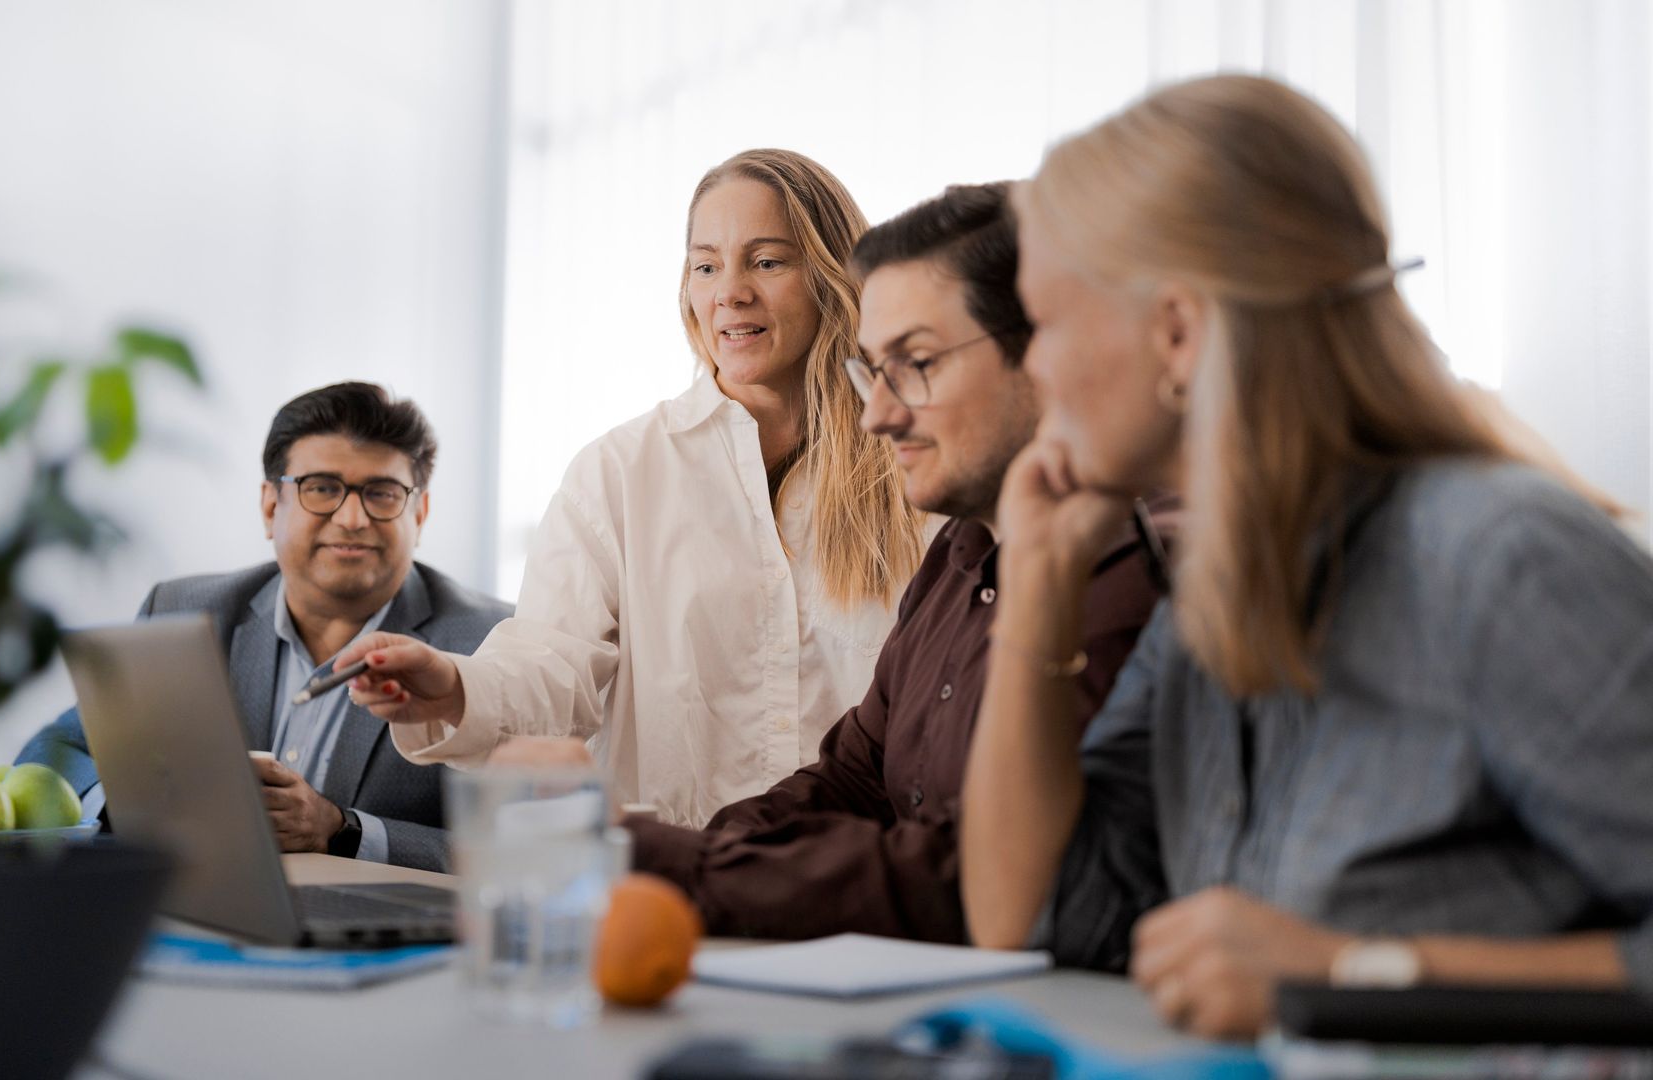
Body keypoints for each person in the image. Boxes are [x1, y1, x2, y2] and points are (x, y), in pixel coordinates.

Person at [962, 74, 1653, 1039]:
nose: (1032, 366)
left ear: (1177, 332)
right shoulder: (1214, 591)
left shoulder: (1502, 560)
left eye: (1043, 323)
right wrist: (1038, 585)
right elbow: (1030, 916)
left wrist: (1351, 973)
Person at [601, 184, 1163, 940]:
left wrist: (668, 861)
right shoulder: (959, 553)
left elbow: (968, 877)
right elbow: (852, 778)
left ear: (1048, 355)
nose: (878, 414)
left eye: (916, 363)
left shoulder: (1134, 574)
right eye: (874, 371)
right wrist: (694, 853)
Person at [332, 150, 925, 827]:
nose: (729, 292)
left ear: (832, 275)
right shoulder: (618, 472)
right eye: (706, 266)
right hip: (677, 877)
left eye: (766, 262)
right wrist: (452, 687)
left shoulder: (915, 468)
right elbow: (551, 666)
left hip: (864, 874)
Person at [18, 382, 510, 871]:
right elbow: (54, 752)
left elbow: (524, 842)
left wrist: (342, 830)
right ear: (271, 507)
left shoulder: (495, 644)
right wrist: (143, 809)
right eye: (322, 488)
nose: (352, 518)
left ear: (419, 514)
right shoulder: (183, 611)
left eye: (382, 493)